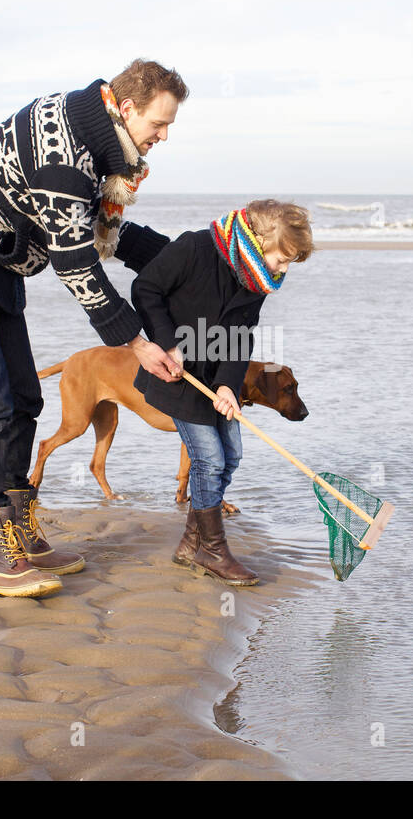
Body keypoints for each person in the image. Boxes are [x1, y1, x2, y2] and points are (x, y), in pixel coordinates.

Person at [0, 59, 188, 598]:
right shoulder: (66, 150)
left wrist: (187, 258)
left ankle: (21, 529)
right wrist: (137, 344)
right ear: (127, 109)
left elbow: (107, 233)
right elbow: (76, 261)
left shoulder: (103, 147)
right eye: (160, 123)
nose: (164, 136)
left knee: (24, 397)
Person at [131, 200, 314, 585]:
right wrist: (166, 343)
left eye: (287, 264)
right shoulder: (194, 248)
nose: (281, 271)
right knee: (209, 461)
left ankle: (190, 542)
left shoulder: (256, 280)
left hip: (217, 382)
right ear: (260, 240)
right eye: (281, 259)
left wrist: (230, 385)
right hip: (177, 376)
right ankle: (212, 552)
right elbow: (146, 289)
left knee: (231, 455)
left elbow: (240, 335)